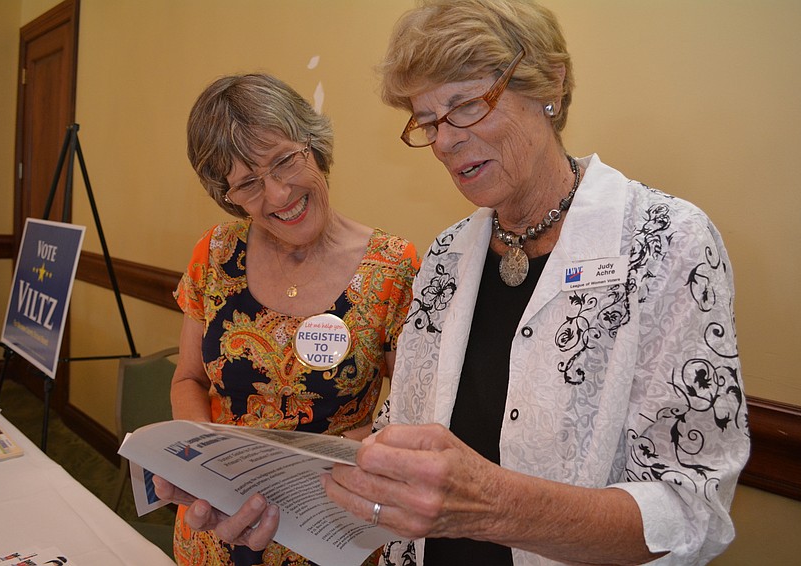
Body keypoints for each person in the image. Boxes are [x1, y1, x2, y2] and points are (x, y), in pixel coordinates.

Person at [317, 1, 750, 565]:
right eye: (428, 122)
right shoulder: (447, 256)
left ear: (550, 84)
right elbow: (397, 433)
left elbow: (694, 515)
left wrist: (492, 504)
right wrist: (271, 485)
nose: (444, 142)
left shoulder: (667, 242)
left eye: (466, 106)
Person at [153, 73, 419, 566]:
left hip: (330, 526)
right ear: (228, 195)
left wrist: (305, 466)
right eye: (248, 183)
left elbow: (409, 413)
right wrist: (202, 461)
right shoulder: (214, 255)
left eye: (284, 162)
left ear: (313, 147)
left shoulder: (393, 267)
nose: (277, 195)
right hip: (216, 528)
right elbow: (187, 377)